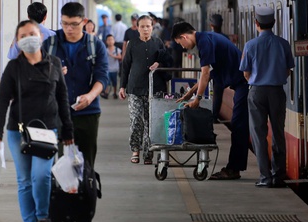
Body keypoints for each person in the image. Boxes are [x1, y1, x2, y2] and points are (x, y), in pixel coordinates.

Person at [0, 20, 74, 222]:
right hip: (19, 131)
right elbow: (2, 100)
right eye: (23, 35)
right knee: (25, 180)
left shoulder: (54, 63)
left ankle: (42, 218)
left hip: (47, 130)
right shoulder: (14, 68)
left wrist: (68, 131)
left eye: (32, 33)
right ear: (17, 42)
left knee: (41, 175)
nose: (29, 38)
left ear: (42, 36)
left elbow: (62, 98)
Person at [173, 21, 249, 180]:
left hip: (244, 84)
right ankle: (234, 168)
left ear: (184, 36)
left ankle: (234, 169)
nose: (183, 47)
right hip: (241, 83)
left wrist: (197, 99)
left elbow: (206, 74)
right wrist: (189, 94)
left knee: (239, 125)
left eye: (181, 43)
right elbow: (204, 76)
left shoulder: (204, 43)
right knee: (238, 124)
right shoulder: (206, 38)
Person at [42, 2, 108, 168]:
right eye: (64, 23)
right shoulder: (49, 45)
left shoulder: (95, 45)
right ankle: (55, 193)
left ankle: (84, 192)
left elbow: (102, 77)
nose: (68, 28)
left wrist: (90, 96)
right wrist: (52, 74)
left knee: (85, 164)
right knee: (50, 164)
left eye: (74, 24)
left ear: (84, 21)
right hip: (54, 112)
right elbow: (37, 77)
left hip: (87, 112)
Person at [240, 7, 294, 188]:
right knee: (278, 133)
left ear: (256, 24)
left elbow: (246, 73)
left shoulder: (250, 45)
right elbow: (287, 70)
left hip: (257, 92)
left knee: (258, 134)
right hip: (277, 92)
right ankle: (278, 176)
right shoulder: (284, 44)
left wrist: (257, 80)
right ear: (274, 23)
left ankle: (265, 177)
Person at [119, 15, 172, 164]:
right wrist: (122, 86)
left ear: (152, 26)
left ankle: (148, 154)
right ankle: (135, 150)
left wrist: (159, 64)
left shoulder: (158, 42)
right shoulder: (132, 44)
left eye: (148, 26)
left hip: (154, 88)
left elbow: (167, 60)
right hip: (135, 87)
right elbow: (126, 65)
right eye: (142, 26)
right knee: (136, 120)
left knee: (151, 122)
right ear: (137, 27)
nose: (145, 29)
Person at [209, 14, 229, 121]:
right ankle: (214, 116)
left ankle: (209, 115)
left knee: (207, 92)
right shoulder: (225, 38)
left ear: (211, 24)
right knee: (218, 94)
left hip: (209, 68)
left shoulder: (208, 37)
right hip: (221, 70)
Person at [102, 34, 122, 99]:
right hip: (107, 68)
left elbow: (120, 57)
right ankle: (106, 93)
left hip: (115, 69)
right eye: (108, 40)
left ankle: (115, 93)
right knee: (107, 81)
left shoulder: (117, 49)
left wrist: (113, 56)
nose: (110, 41)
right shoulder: (105, 50)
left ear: (114, 41)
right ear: (106, 41)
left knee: (114, 82)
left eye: (111, 40)